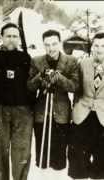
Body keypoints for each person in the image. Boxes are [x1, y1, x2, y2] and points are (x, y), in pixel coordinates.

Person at [0, 23, 34, 180]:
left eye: (15, 36)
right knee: (1, 151)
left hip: (23, 112)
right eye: (8, 36)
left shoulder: (26, 58)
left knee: (22, 151)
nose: (11, 39)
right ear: (2, 37)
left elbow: (32, 86)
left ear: (19, 39)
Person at [69, 32, 104, 180]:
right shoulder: (83, 63)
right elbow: (78, 90)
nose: (99, 49)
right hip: (83, 116)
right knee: (77, 162)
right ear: (92, 47)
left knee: (103, 164)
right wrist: (76, 107)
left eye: (103, 46)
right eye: (96, 45)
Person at [27, 30, 79, 178]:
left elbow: (75, 86)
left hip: (61, 114)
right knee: (42, 155)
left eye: (54, 44)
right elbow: (30, 86)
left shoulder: (71, 61)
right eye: (47, 44)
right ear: (43, 45)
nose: (51, 48)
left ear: (60, 42)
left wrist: (59, 78)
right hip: (42, 113)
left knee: (59, 157)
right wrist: (40, 77)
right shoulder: (36, 61)